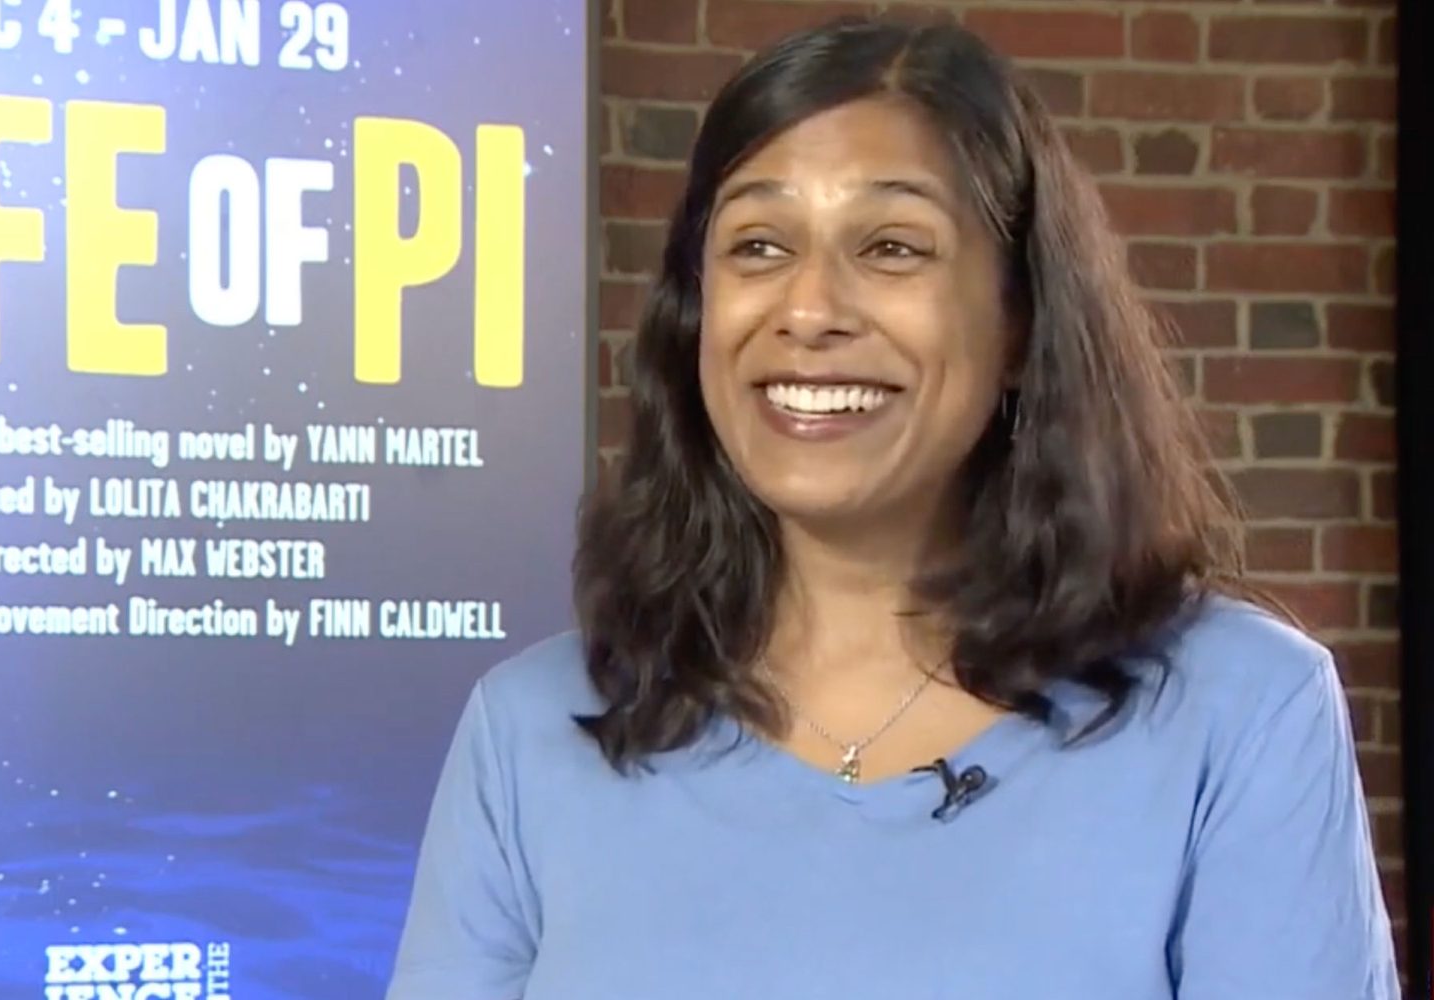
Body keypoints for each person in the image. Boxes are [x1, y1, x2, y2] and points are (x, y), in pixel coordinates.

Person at [386, 14, 1400, 1000]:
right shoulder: (531, 731)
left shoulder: (1240, 714)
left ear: (1017, 325)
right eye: (757, 246)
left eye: (892, 248)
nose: (811, 310)